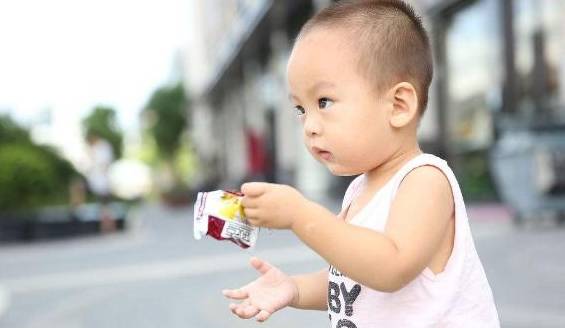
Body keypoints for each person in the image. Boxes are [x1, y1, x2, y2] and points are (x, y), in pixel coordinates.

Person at [222, 0, 500, 327]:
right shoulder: (359, 190)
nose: (309, 125)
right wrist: (294, 288)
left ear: (398, 105)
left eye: (323, 102)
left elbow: (390, 267)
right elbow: (355, 279)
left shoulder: (425, 180)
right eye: (301, 109)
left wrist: (300, 215)